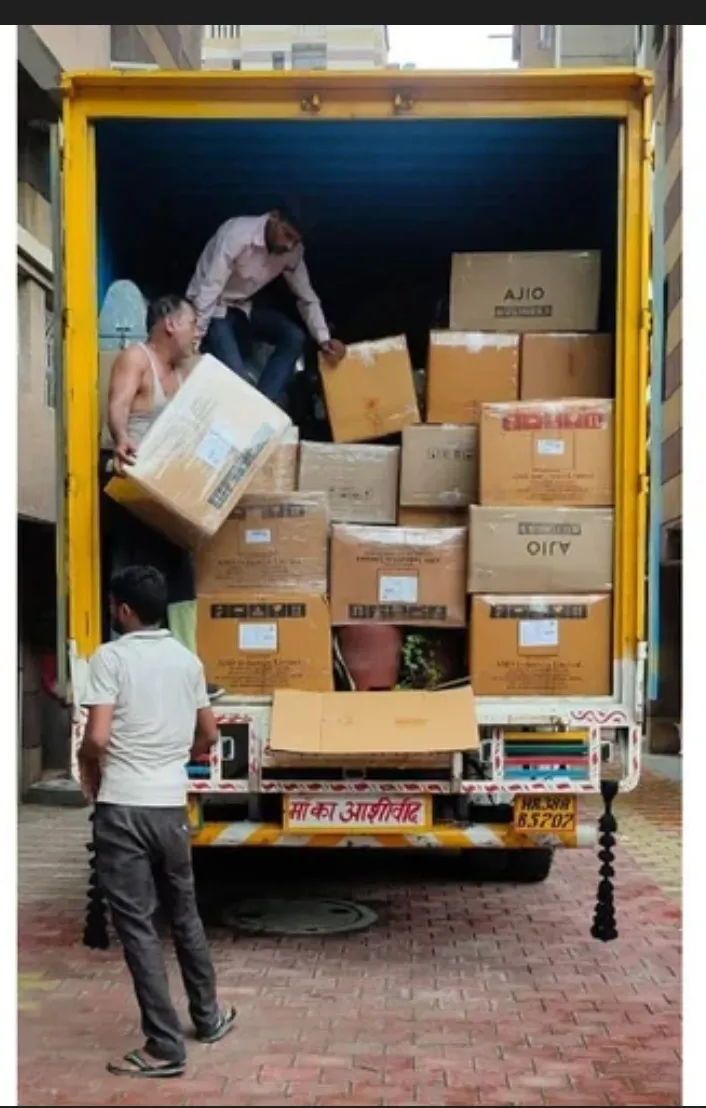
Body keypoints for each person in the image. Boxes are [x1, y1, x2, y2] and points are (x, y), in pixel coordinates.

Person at [78, 565, 236, 1079]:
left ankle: (164, 1047)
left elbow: (98, 737)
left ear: (124, 609)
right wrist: (175, 757)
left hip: (123, 808)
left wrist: (86, 766)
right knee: (184, 914)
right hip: (170, 807)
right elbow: (209, 735)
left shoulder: (111, 658)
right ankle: (208, 1018)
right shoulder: (187, 661)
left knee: (140, 929)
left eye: (112, 605)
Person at [102, 294, 222, 700]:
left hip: (170, 499)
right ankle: (127, 681)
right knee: (136, 584)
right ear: (169, 323)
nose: (197, 332)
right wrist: (121, 439)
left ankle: (188, 678)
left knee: (183, 587)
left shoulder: (182, 374)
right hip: (136, 492)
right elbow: (117, 404)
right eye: (193, 323)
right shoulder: (137, 358)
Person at [186, 207, 346, 405]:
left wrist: (324, 339)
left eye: (296, 240)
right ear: (274, 217)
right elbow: (210, 288)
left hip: (243, 307)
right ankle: (249, 409)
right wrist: (192, 340)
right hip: (212, 307)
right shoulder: (238, 233)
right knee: (239, 384)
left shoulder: (292, 251)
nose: (289, 245)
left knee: (294, 337)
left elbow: (307, 297)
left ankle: (262, 406)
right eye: (287, 235)